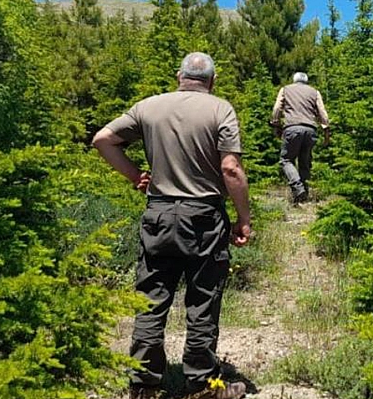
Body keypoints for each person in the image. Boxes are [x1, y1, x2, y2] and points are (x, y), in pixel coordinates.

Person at [92, 52, 251, 399]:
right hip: (204, 217)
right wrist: (243, 219)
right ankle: (202, 384)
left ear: (179, 75)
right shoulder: (220, 109)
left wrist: (136, 175)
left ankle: (144, 384)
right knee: (202, 299)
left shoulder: (148, 107)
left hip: (159, 213)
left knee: (151, 298)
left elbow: (102, 139)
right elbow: (231, 169)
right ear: (213, 79)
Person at [270, 72, 330, 204]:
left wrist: (275, 124)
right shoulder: (315, 92)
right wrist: (326, 130)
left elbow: (277, 108)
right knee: (305, 162)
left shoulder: (285, 90)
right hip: (310, 130)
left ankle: (298, 188)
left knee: (286, 160)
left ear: (294, 80)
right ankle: (303, 196)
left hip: (292, 128)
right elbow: (322, 112)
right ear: (306, 81)